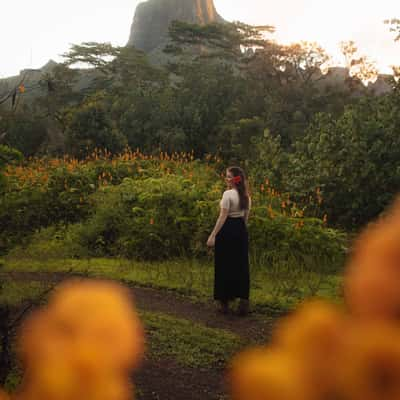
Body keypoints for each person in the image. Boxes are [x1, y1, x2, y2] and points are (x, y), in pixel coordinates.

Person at [207, 166, 251, 316]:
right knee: (241, 265)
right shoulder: (246, 196)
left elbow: (222, 217)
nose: (226, 179)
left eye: (228, 176)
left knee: (224, 265)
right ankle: (243, 301)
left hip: (227, 230)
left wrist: (213, 235)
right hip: (240, 230)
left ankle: (224, 302)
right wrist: (242, 233)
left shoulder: (227, 194)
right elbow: (245, 219)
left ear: (234, 179)